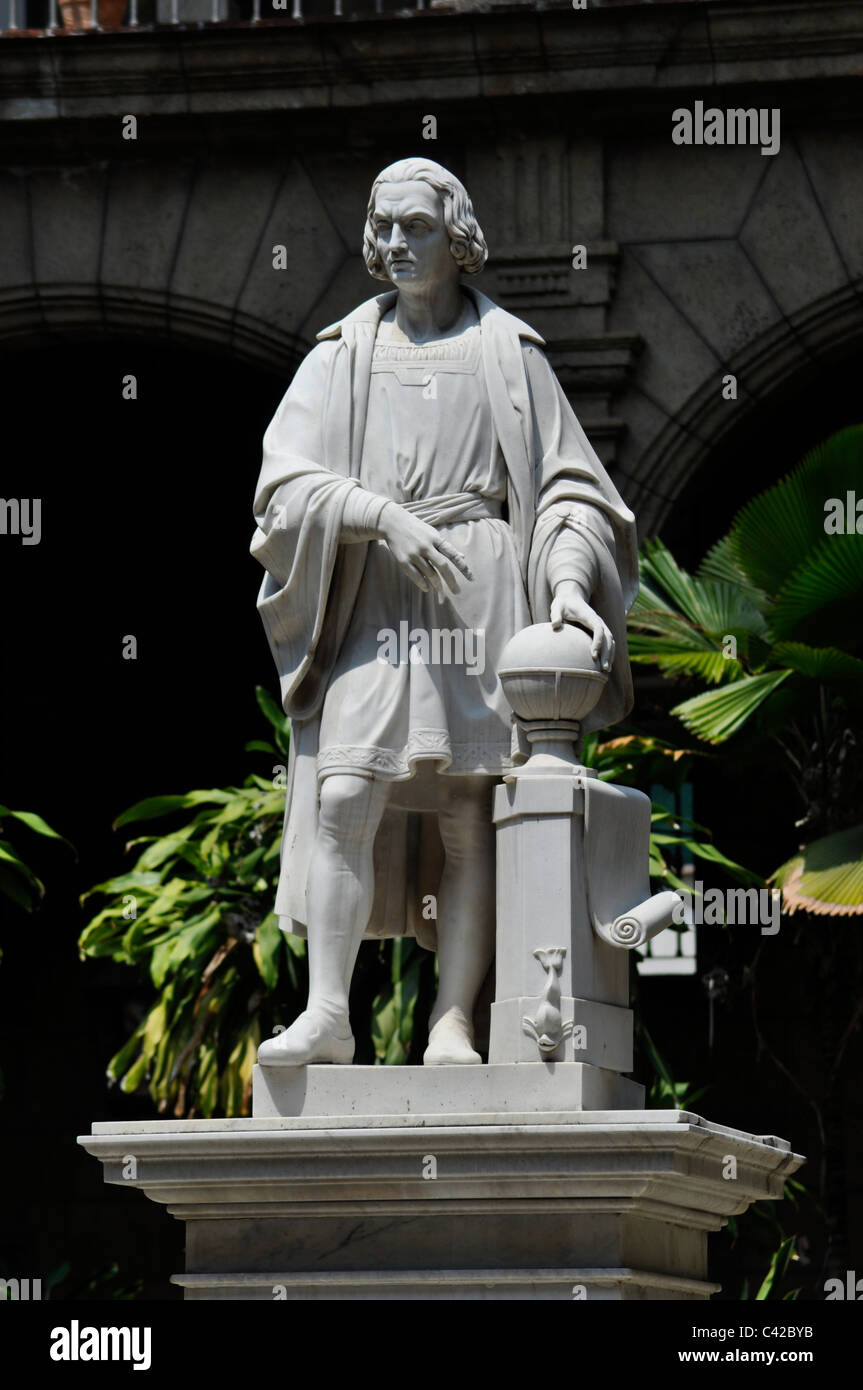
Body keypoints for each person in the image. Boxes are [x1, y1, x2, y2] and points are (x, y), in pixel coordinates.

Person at [251, 157, 638, 1067]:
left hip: (480, 585)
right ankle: (330, 1014)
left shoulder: (509, 352)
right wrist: (375, 513)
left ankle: (452, 1021)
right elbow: (283, 488)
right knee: (346, 788)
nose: (394, 243)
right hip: (377, 587)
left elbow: (569, 494)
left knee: (470, 806)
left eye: (414, 226)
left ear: (456, 238)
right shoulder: (339, 355)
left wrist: (571, 586)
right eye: (382, 226)